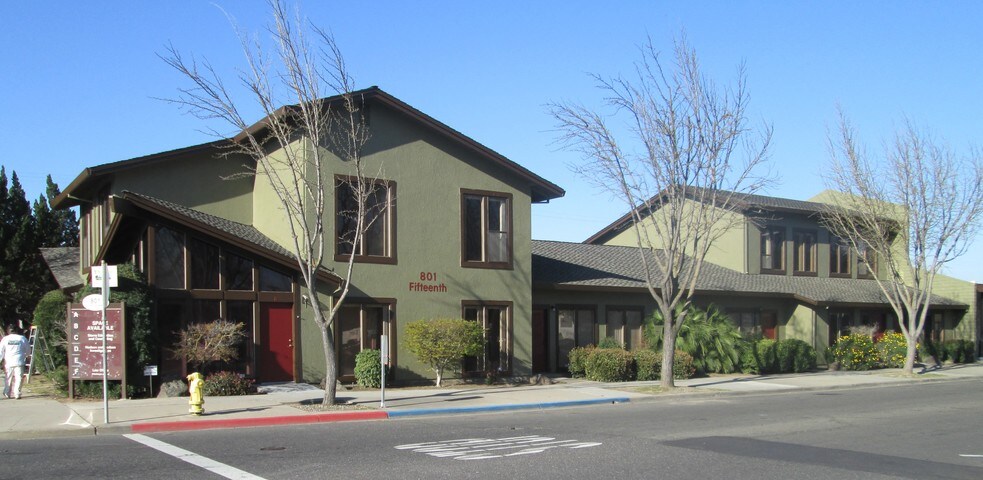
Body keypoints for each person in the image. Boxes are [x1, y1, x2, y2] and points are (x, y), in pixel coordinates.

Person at [0, 325, 29, 399]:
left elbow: (1, 351)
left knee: (8, 377)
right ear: (16, 330)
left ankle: (7, 392)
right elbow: (28, 349)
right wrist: (26, 355)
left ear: (8, 331)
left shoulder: (5, 339)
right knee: (18, 377)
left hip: (8, 361)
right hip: (19, 361)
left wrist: (0, 359)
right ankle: (17, 393)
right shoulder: (22, 338)